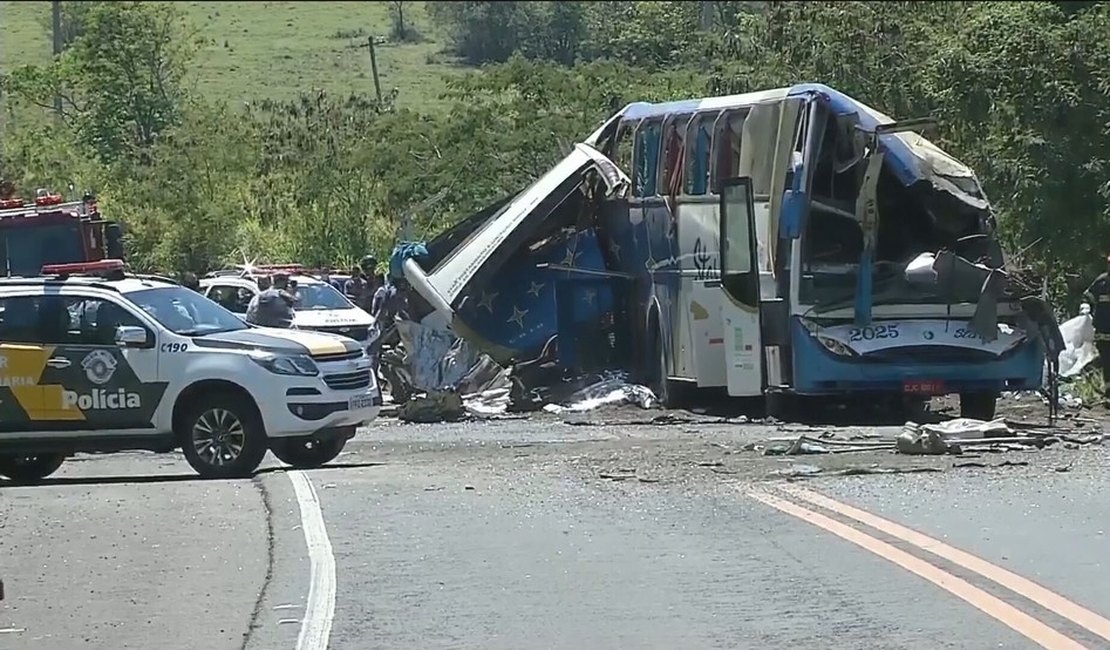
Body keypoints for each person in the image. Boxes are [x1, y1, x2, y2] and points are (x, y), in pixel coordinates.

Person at [1084, 256, 1110, 395]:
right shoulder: (1101, 281)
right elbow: (1088, 298)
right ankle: (1109, 393)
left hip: (1103, 329)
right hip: (1103, 331)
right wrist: (1086, 308)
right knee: (1107, 362)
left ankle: (1090, 367)